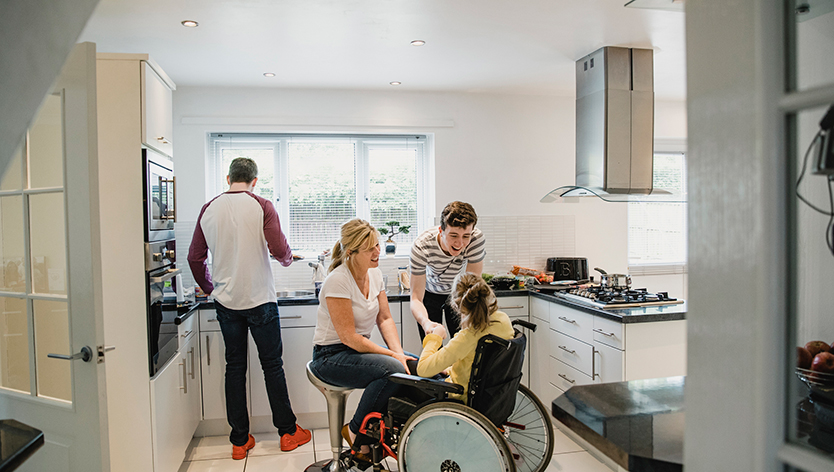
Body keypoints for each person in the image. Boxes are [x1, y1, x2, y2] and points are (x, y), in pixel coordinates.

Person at [187, 157, 311, 460]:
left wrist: (208, 287)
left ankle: (240, 441)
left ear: (228, 178)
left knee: (234, 368)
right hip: (260, 299)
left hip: (226, 302)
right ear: (254, 180)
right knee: (272, 366)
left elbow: (194, 257)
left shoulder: (209, 209)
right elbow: (279, 249)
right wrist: (286, 259)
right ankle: (287, 433)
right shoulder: (262, 205)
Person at [309, 219, 415, 455]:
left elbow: (385, 318)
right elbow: (349, 337)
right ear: (351, 252)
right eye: (370, 249)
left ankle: (386, 434)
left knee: (414, 366)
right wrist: (393, 356)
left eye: (377, 245)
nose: (378, 251)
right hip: (330, 357)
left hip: (356, 352)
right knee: (391, 368)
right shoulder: (338, 280)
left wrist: (398, 352)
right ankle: (357, 432)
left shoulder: (375, 275)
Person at [416, 272, 514, 401]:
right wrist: (451, 370)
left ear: (456, 305)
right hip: (491, 394)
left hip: (461, 396)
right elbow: (478, 363)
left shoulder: (467, 337)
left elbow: (422, 369)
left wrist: (435, 338)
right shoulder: (503, 320)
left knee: (407, 368)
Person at [409, 201, 486, 341]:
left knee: (462, 345)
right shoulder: (422, 246)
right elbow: (415, 298)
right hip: (430, 293)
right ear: (441, 230)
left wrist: (467, 323)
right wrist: (426, 324)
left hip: (458, 293)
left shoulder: (476, 239)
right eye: (454, 235)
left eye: (466, 236)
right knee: (433, 347)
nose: (460, 243)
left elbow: (471, 286)